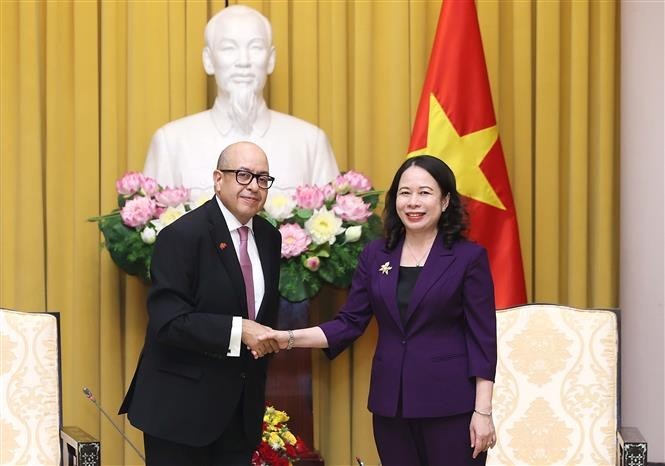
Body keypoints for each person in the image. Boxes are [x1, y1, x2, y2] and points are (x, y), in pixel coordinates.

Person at [259, 155, 498, 465]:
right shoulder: (376, 254)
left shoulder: (468, 257)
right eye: (405, 192)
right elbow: (349, 322)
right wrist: (286, 338)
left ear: (445, 201)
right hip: (391, 406)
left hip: (451, 407)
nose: (413, 202)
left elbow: (482, 340)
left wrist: (483, 411)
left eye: (425, 193)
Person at [119, 141, 282, 465]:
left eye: (263, 178)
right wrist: (239, 330)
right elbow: (169, 322)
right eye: (244, 175)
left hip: (239, 416)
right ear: (218, 179)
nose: (254, 186)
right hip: (180, 415)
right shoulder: (182, 236)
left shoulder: (268, 237)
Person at [143, 4, 339, 200]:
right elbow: (153, 227)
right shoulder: (171, 143)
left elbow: (335, 221)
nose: (243, 61)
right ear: (209, 60)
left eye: (255, 47)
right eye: (229, 48)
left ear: (270, 59)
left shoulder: (310, 142)